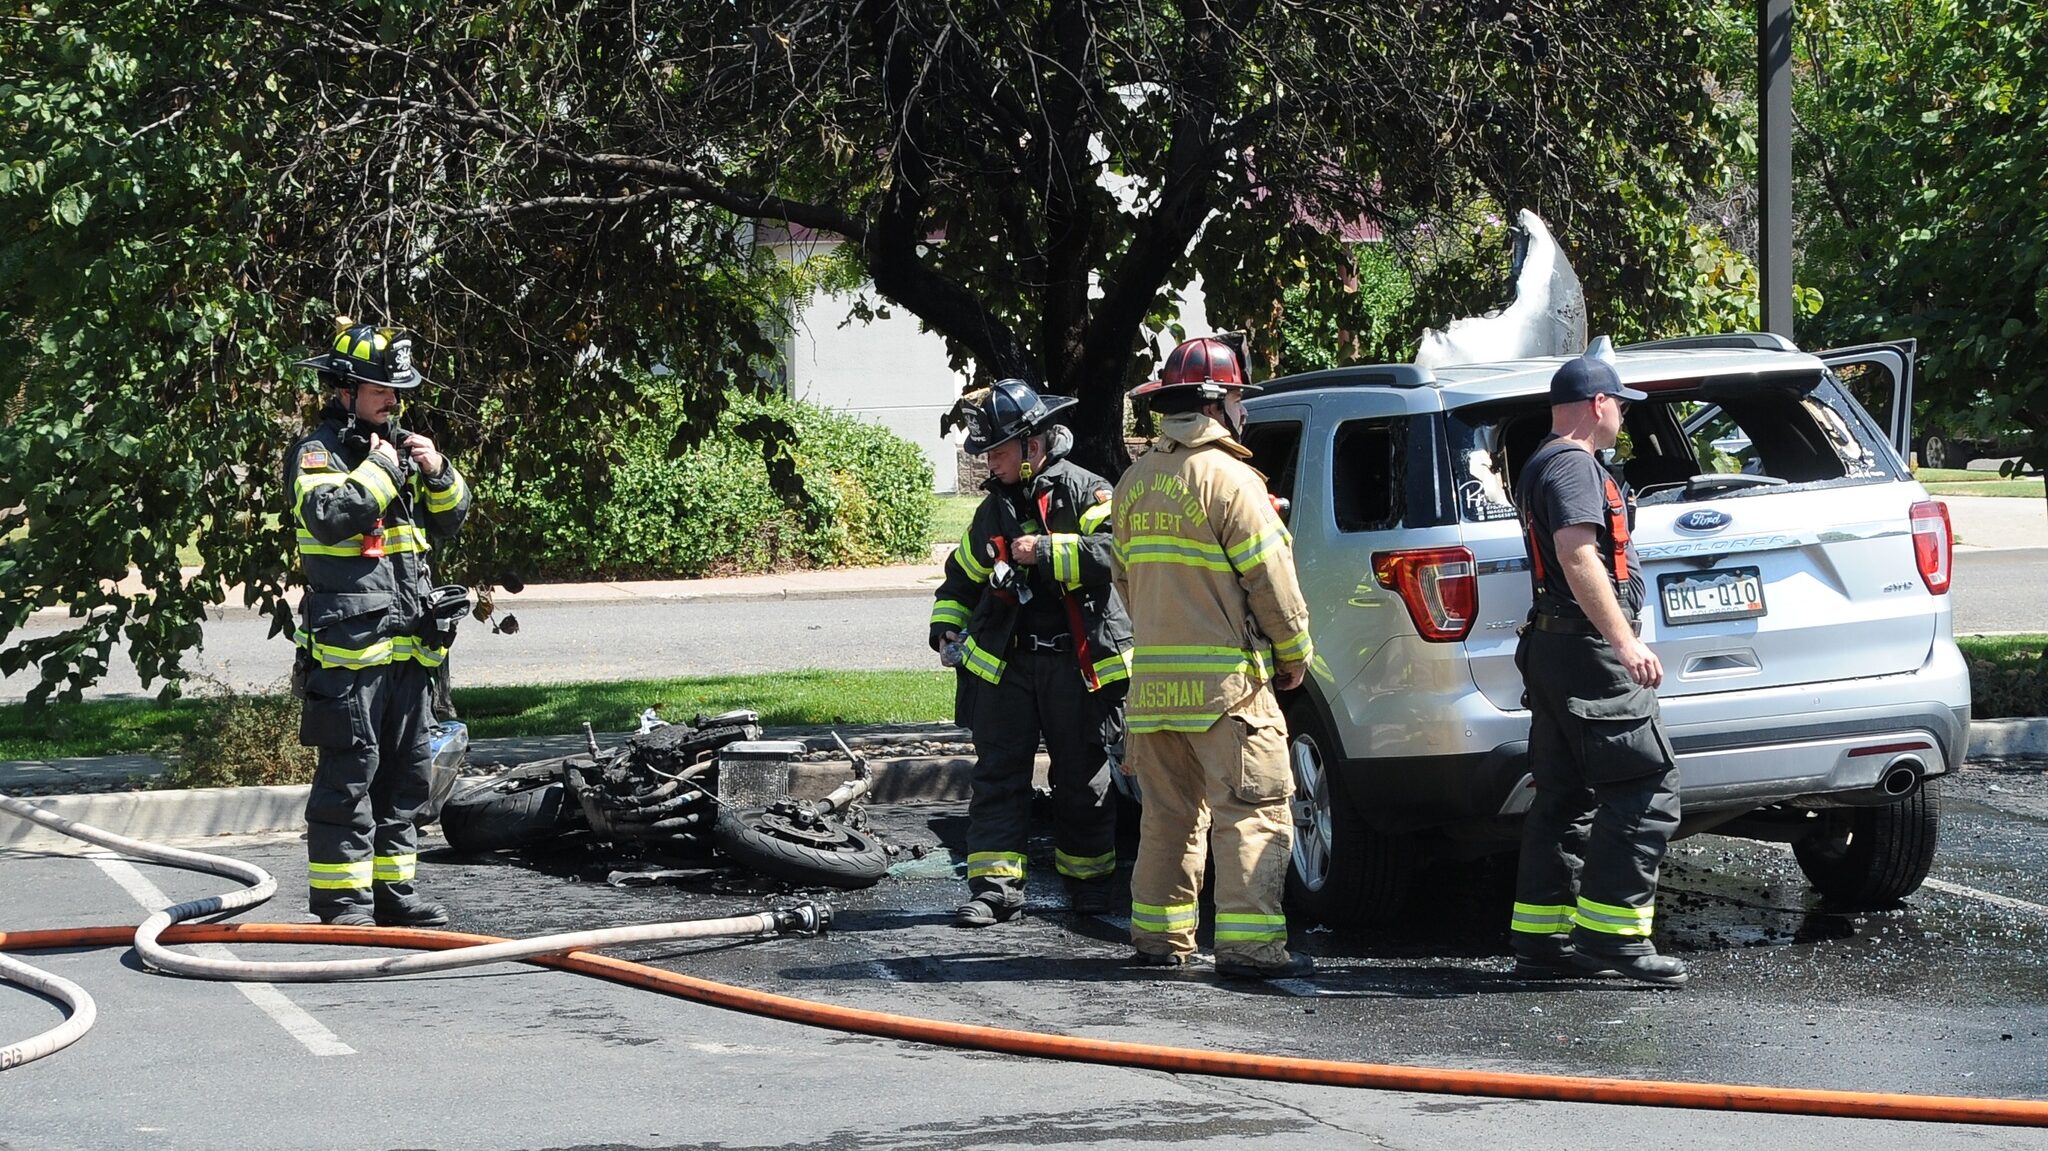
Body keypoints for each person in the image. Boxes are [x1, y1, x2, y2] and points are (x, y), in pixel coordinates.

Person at [1112, 336, 1315, 980]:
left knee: (1169, 817)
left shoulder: (1134, 482)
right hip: (1227, 689)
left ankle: (1158, 937)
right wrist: (1294, 651)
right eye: (1239, 400)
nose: (1244, 413)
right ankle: (1251, 947)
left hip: (1153, 692)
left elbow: (1124, 580)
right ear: (1219, 402)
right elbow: (1271, 576)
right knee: (1252, 809)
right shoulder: (1230, 478)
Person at [1507, 344, 1688, 987]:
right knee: (1646, 788)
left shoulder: (1541, 463)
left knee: (1566, 795)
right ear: (1598, 404)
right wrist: (1625, 643)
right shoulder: (1575, 468)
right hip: (1587, 654)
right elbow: (1578, 555)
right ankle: (1613, 938)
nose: (1624, 421)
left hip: (1556, 650)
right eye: (1620, 408)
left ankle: (1542, 938)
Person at [286, 319, 472, 928]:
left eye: (396, 391)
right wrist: (385, 471)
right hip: (351, 655)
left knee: (406, 782)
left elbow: (448, 521)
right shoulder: (317, 452)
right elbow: (327, 516)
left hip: (410, 652)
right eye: (379, 390)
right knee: (349, 781)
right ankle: (343, 904)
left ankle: (396, 896)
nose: (392, 401)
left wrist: (439, 473)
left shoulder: (397, 448)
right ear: (344, 391)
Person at [930, 379, 1134, 927]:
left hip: (1076, 661)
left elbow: (1117, 552)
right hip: (1009, 665)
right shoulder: (991, 513)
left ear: (1032, 444)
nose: (988, 463)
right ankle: (995, 889)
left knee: (1081, 776)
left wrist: (1045, 550)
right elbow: (959, 585)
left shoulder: (1086, 490)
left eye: (997, 451)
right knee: (997, 774)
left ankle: (1090, 886)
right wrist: (946, 632)